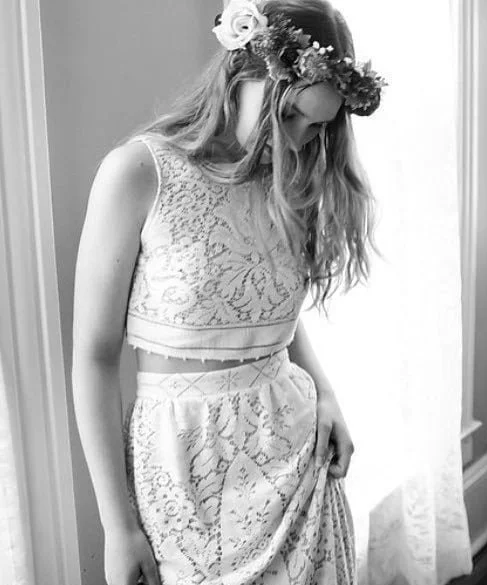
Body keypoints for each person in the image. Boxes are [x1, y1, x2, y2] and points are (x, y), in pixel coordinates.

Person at [71, 1, 386, 583]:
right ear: (242, 73)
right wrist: (117, 527)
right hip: (183, 469)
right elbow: (93, 357)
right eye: (289, 115)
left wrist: (325, 392)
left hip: (297, 458)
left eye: (318, 126)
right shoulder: (138, 174)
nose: (299, 140)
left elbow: (261, 309)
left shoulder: (291, 178)